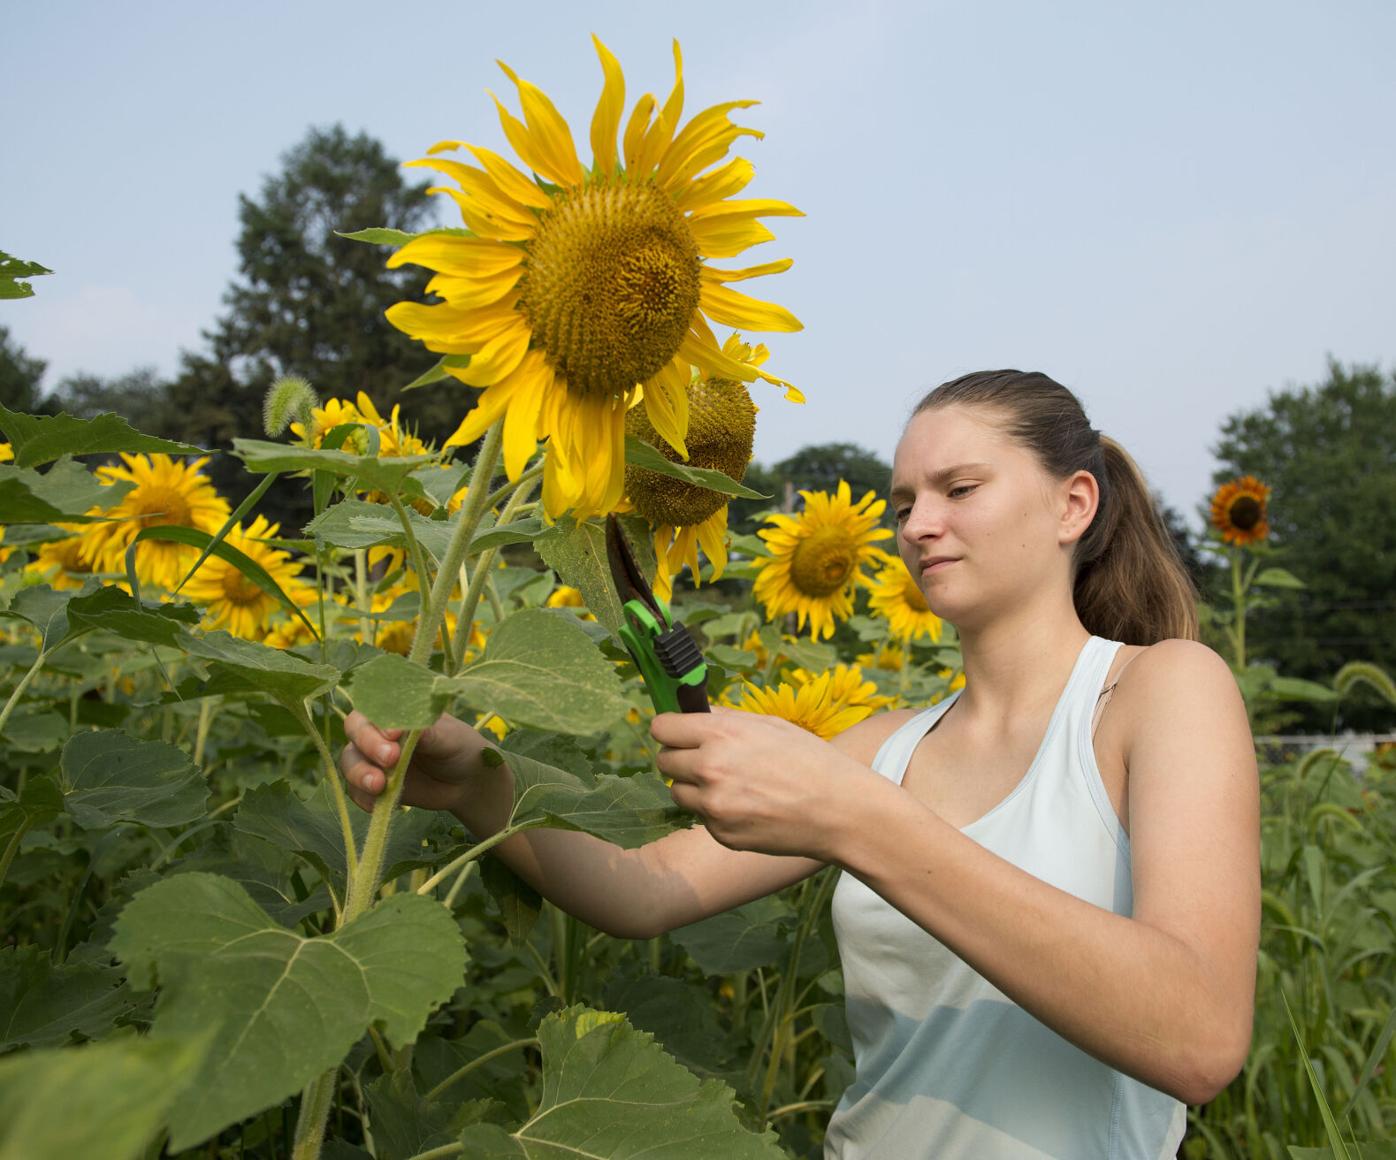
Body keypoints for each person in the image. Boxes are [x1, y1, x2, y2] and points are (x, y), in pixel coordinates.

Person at [340, 369, 1260, 1158]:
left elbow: (1199, 1034)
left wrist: (855, 818)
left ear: (1074, 504)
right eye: (902, 504)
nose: (917, 525)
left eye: (959, 489)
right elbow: (647, 888)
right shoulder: (883, 745)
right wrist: (477, 785)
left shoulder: (1157, 692)